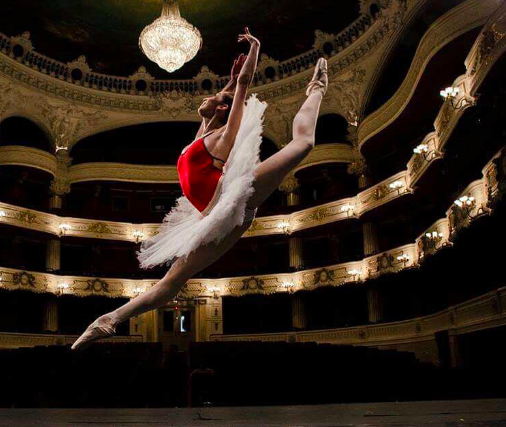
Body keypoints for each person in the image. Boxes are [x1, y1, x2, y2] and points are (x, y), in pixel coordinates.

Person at [73, 29, 328, 351]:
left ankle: (317, 88)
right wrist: (232, 80)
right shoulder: (200, 136)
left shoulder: (223, 138)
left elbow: (240, 91)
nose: (205, 98)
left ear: (221, 110)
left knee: (304, 143)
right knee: (172, 282)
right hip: (209, 215)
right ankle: (108, 320)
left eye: (212, 99)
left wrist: (254, 49)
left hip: (235, 196)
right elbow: (229, 93)